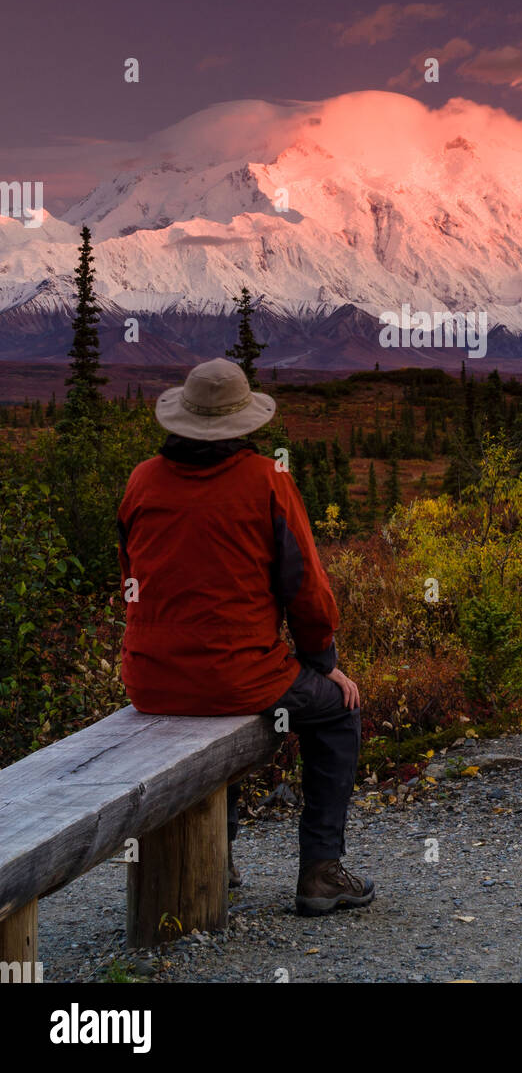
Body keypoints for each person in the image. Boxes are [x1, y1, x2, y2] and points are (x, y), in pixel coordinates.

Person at [117, 357, 374, 916]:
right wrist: (322, 660)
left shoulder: (141, 480)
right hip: (237, 676)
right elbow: (306, 587)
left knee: (230, 710)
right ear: (244, 426)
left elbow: (132, 577)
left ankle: (222, 854)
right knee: (336, 709)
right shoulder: (267, 480)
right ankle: (321, 873)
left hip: (150, 680)